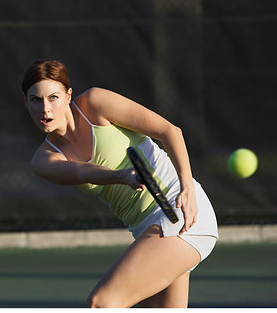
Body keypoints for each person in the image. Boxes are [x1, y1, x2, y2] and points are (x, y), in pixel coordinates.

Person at [21, 59, 218, 308]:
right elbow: (82, 171)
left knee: (101, 303)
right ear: (25, 101)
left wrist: (187, 188)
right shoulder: (44, 159)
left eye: (53, 97)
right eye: (36, 100)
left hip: (182, 214)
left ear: (68, 95)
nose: (45, 109)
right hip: (145, 231)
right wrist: (123, 176)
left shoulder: (95, 102)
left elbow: (170, 131)